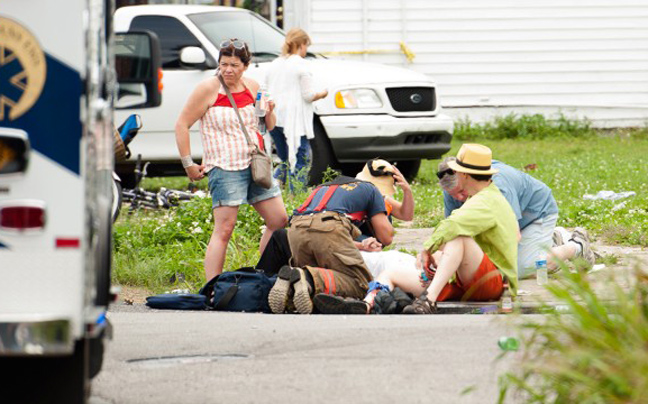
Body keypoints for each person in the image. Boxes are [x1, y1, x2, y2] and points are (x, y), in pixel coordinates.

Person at [175, 38, 288, 281]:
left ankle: (265, 276)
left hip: (255, 164)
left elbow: (267, 125)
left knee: (279, 220)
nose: (228, 70)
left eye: (234, 65)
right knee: (225, 229)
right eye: (224, 64)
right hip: (224, 167)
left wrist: (270, 110)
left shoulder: (252, 86)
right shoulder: (208, 88)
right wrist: (188, 164)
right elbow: (182, 124)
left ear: (246, 66)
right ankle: (212, 287)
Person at [438, 156, 595, 278]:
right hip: (512, 224)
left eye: (461, 192)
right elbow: (456, 232)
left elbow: (511, 235)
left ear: (466, 177)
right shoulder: (453, 188)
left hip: (537, 214)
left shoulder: (498, 186)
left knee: (522, 268)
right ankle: (552, 239)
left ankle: (576, 246)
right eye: (453, 195)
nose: (459, 198)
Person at [267, 168, 395, 315]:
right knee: (362, 284)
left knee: (310, 281)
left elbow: (316, 228)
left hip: (296, 229)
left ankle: (293, 284)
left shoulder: (324, 187)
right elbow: (386, 237)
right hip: (330, 224)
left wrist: (361, 245)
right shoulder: (372, 190)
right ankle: (305, 276)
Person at [256, 159, 412, 277]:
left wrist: (405, 193)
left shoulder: (327, 187)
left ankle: (267, 278)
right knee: (358, 280)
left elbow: (406, 214)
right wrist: (364, 244)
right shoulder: (373, 191)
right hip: (328, 237)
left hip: (295, 236)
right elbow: (386, 238)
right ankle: (314, 282)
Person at [265, 28, 328, 191]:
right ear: (301, 44)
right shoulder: (301, 65)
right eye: (306, 46)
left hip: (275, 118)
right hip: (295, 121)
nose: (306, 50)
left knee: (285, 159)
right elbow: (308, 95)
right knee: (301, 160)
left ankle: (271, 191)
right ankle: (296, 195)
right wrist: (322, 93)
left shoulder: (275, 64)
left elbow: (265, 88)